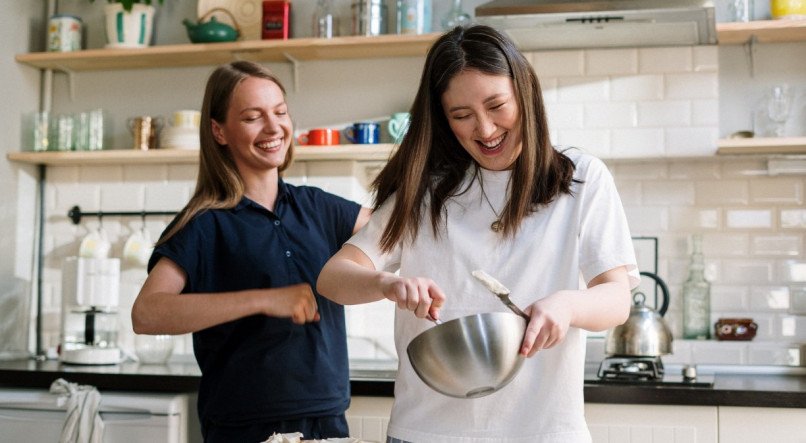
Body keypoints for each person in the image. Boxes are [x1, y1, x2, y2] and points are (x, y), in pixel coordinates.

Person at [316, 25, 639, 442]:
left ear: (525, 94)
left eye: (497, 106)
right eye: (462, 116)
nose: (485, 130)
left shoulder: (579, 180)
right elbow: (333, 278)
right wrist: (386, 283)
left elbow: (616, 298)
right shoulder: (425, 192)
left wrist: (567, 306)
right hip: (427, 431)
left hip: (542, 431)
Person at [131, 60, 371, 442]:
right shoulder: (203, 224)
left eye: (280, 112)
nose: (274, 127)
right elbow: (146, 313)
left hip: (326, 423)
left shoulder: (320, 208)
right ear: (219, 131)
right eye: (252, 117)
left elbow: (398, 231)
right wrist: (262, 300)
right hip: (243, 429)